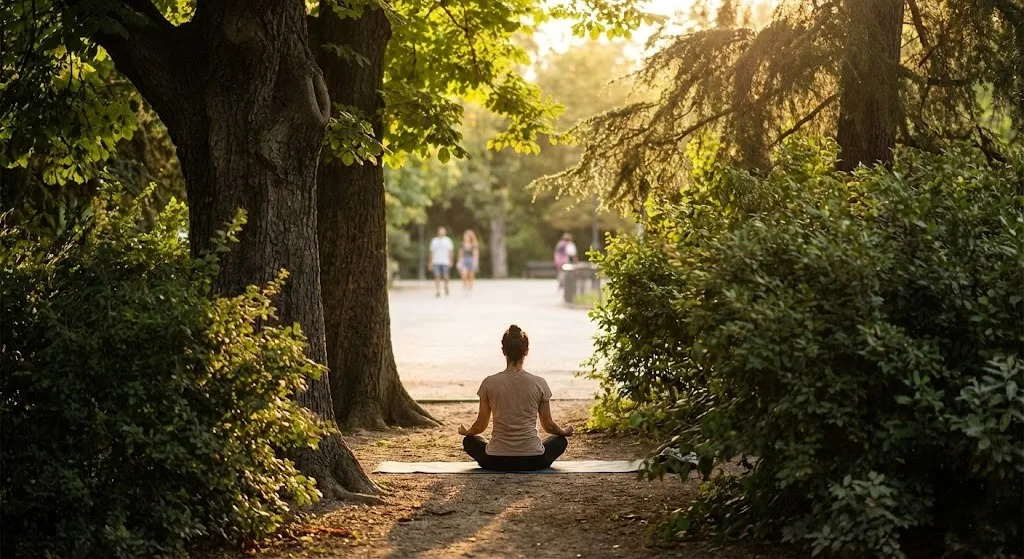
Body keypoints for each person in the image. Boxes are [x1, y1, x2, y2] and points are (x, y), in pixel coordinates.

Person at [459, 325, 573, 471]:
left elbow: (481, 424)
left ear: (503, 351)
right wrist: (564, 432)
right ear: (526, 351)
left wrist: (467, 432)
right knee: (560, 441)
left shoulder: (489, 382)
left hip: (495, 461)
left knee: (469, 441)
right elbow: (548, 425)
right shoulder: (539, 383)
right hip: (534, 461)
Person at [429, 226, 454, 297]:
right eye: (440, 232)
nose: (441, 233)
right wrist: (430, 263)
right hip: (436, 261)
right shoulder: (434, 241)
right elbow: (432, 252)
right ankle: (438, 291)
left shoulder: (448, 240)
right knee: (437, 276)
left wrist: (451, 261)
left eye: (443, 232)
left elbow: (450, 251)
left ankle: (446, 286)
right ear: (438, 232)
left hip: (445, 261)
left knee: (446, 276)